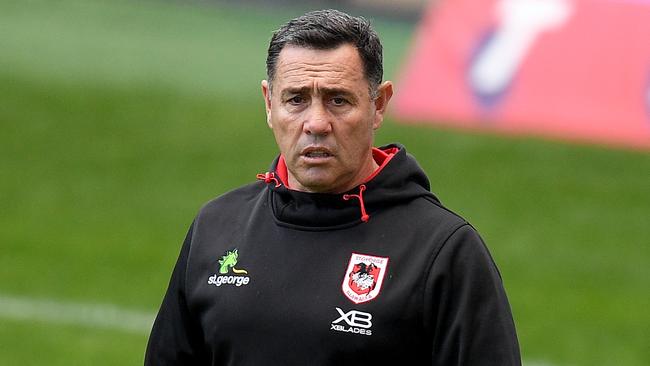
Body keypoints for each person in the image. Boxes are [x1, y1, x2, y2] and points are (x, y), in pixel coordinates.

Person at [145, 9, 521, 366]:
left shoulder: (443, 251)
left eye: (338, 100)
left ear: (378, 105)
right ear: (269, 104)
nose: (316, 123)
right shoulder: (217, 226)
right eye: (296, 100)